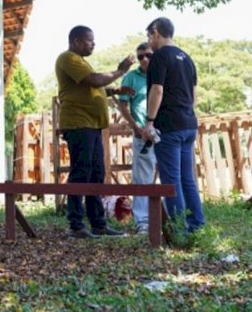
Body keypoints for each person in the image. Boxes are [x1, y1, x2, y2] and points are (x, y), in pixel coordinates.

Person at [56, 25, 135, 239]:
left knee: (96, 173)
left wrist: (116, 90)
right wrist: (121, 71)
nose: (93, 44)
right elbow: (95, 80)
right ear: (76, 41)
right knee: (81, 172)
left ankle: (98, 224)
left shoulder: (82, 62)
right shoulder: (67, 58)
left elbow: (94, 88)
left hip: (91, 125)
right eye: (89, 40)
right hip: (78, 124)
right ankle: (76, 225)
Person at [142, 17, 205, 233]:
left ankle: (179, 230)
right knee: (188, 179)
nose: (148, 41)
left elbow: (157, 90)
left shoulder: (159, 57)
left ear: (156, 32)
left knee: (171, 180)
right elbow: (194, 96)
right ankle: (197, 225)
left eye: (149, 35)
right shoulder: (187, 58)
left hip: (168, 127)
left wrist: (149, 122)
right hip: (188, 124)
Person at [117, 42, 156, 235]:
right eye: (140, 57)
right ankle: (143, 221)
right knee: (142, 179)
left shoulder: (162, 73)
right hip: (142, 134)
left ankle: (173, 218)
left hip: (164, 132)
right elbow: (123, 106)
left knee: (169, 176)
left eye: (148, 55)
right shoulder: (130, 77)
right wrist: (137, 128)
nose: (145, 59)